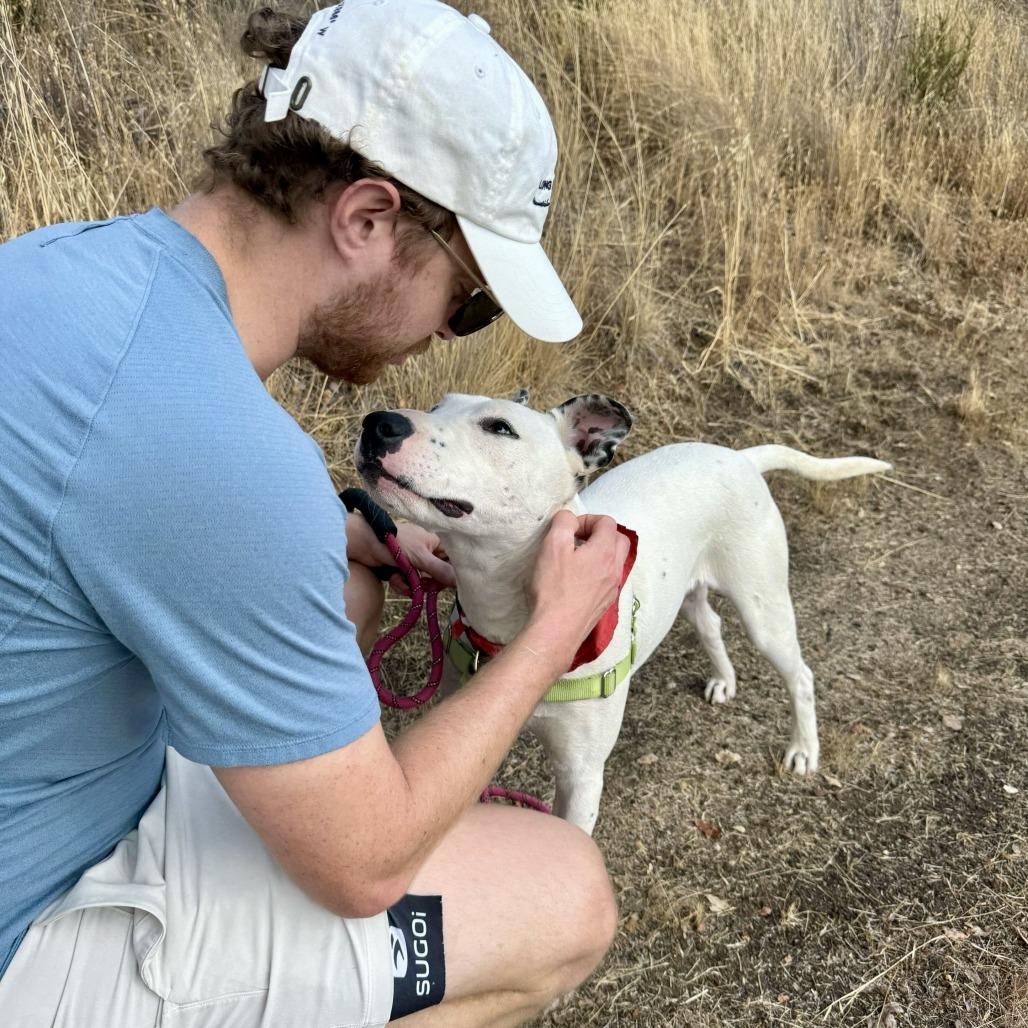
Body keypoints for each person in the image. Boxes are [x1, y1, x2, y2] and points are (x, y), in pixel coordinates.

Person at [0, 2, 630, 1025]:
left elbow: (107, 509)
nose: (445, 335)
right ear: (367, 219)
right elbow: (365, 865)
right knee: (562, 893)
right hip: (25, 912)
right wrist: (557, 623)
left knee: (343, 592)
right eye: (464, 296)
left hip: (37, 768)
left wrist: (333, 537)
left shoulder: (64, 262)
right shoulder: (231, 458)